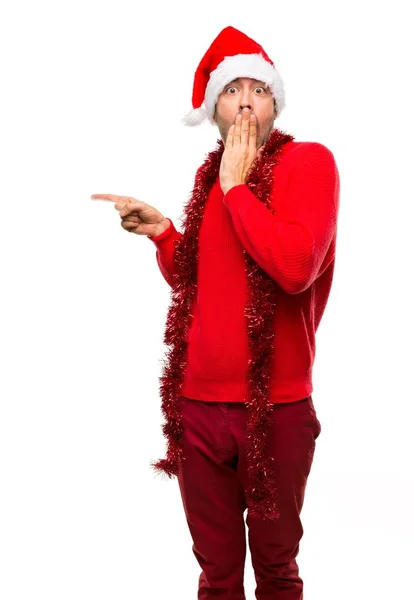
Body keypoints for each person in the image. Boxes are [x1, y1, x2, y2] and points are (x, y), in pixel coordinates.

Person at [91, 25, 340, 600]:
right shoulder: (210, 179)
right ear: (214, 109)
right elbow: (199, 279)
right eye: (233, 89)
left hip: (275, 409)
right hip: (198, 407)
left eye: (259, 88)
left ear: (275, 103)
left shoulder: (309, 163)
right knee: (217, 575)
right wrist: (163, 235)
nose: (247, 98)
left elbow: (295, 264)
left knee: (276, 572)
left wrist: (237, 189)